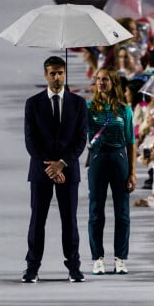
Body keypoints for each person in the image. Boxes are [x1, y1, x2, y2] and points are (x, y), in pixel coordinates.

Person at [22, 56, 87, 283]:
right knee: (37, 220)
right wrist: (50, 166)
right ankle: (32, 267)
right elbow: (31, 141)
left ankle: (74, 267)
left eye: (60, 73)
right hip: (41, 172)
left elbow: (80, 140)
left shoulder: (78, 104)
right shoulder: (33, 103)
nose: (57, 77)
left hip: (68, 172)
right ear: (45, 75)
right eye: (52, 73)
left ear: (65, 73)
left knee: (69, 220)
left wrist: (62, 163)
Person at [88, 67, 136, 275]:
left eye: (105, 79)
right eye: (98, 79)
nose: (101, 82)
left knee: (122, 213)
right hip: (98, 158)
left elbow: (131, 142)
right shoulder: (89, 108)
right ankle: (97, 257)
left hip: (119, 159)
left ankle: (120, 258)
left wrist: (132, 172)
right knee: (96, 211)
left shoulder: (124, 110)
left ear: (113, 82)